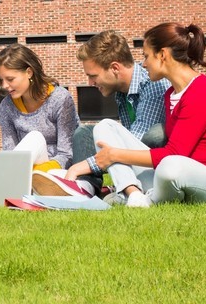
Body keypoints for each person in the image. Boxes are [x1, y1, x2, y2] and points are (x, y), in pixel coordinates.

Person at [65, 22, 206, 207]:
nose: (143, 63)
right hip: (179, 178)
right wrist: (111, 155)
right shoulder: (170, 95)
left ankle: (145, 198)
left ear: (163, 55)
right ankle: (133, 194)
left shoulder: (202, 91)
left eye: (146, 56)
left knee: (169, 167)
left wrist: (112, 156)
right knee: (105, 126)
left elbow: (174, 153)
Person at [68, 30, 169, 194]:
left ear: (115, 68)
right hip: (136, 156)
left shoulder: (153, 85)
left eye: (93, 76)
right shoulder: (122, 92)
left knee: (154, 134)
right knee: (84, 133)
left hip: (155, 165)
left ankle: (134, 189)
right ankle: (85, 188)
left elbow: (136, 144)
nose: (90, 82)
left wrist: (81, 166)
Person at [0, 44, 77, 166]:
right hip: (24, 169)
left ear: (29, 72)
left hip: (58, 169)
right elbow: (10, 152)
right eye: (1, 80)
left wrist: (41, 171)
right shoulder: (6, 107)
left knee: (35, 137)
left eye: (10, 79)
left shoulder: (60, 99)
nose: (4, 85)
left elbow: (67, 154)